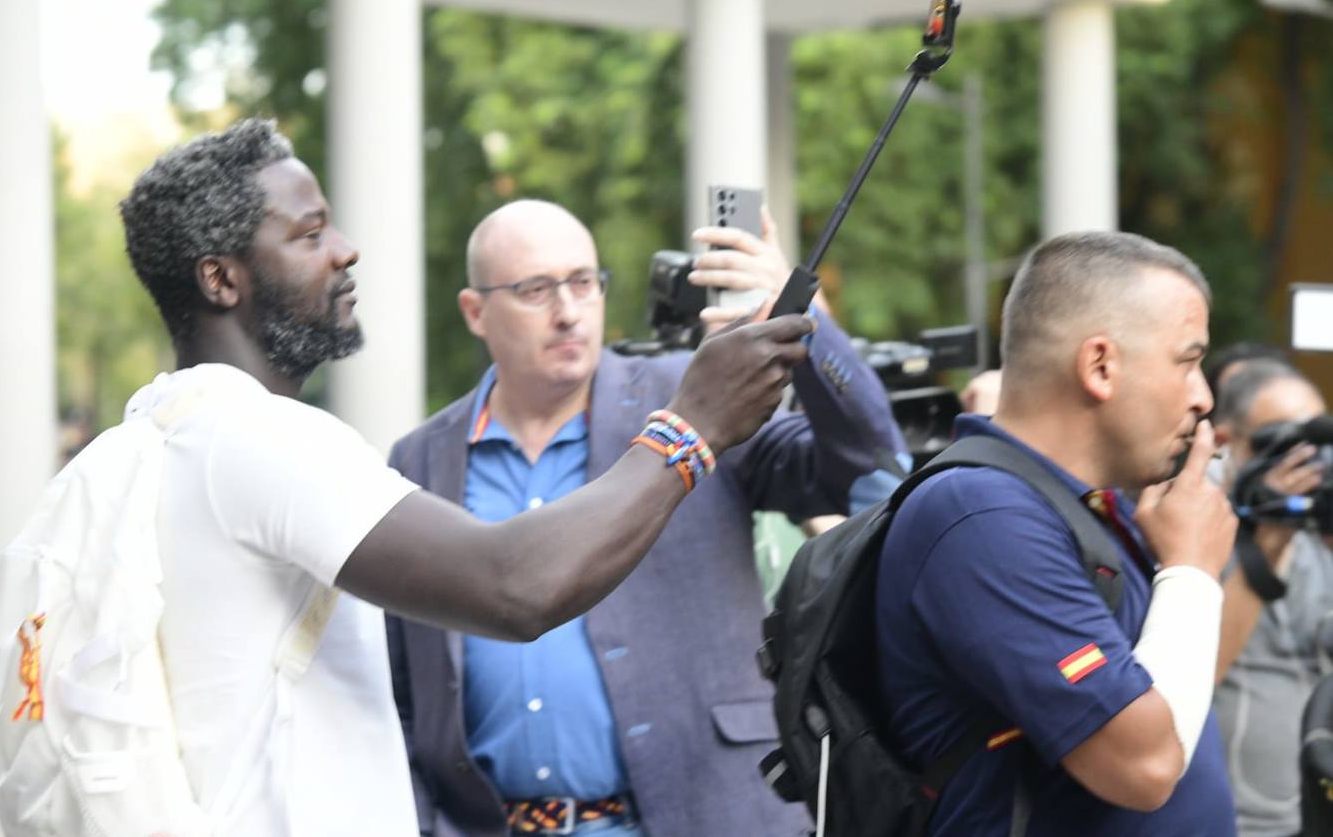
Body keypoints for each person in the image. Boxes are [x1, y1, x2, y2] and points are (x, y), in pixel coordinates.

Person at [108, 119, 815, 836]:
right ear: (221, 278)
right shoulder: (268, 441)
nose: (346, 250)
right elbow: (512, 589)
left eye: (580, 282)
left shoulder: (168, 430)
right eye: (310, 233)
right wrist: (691, 426)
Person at [385, 199, 904, 837]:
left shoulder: (697, 396)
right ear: (474, 311)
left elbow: (869, 468)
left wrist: (808, 318)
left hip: (703, 814)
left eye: (583, 282)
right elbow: (402, 695)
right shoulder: (420, 459)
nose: (569, 311)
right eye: (535, 290)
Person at [875, 231, 1239, 835]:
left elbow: (1176, 702)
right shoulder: (980, 515)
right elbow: (1144, 768)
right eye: (1187, 360)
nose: (1203, 397)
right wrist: (1192, 574)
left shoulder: (1084, 509)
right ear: (1100, 365)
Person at [1210, 359, 1332, 837]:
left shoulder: (1320, 531)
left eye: (1316, 443)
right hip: (1239, 821)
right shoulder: (1189, 528)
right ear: (1225, 443)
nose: (1303, 462)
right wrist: (1270, 533)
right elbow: (1201, 667)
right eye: (1281, 441)